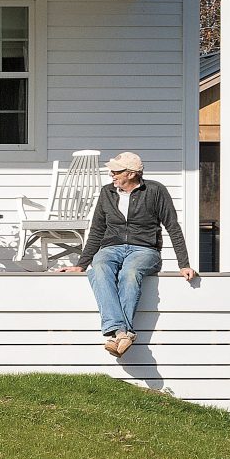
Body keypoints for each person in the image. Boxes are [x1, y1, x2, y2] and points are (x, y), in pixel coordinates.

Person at [55, 150, 196, 356]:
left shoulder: (155, 191)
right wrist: (81, 264)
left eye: (116, 171)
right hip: (111, 248)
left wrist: (183, 264)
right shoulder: (107, 192)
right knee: (99, 267)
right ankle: (122, 333)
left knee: (129, 273)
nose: (111, 174)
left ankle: (118, 332)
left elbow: (172, 226)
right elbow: (97, 230)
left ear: (131, 173)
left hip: (145, 249)